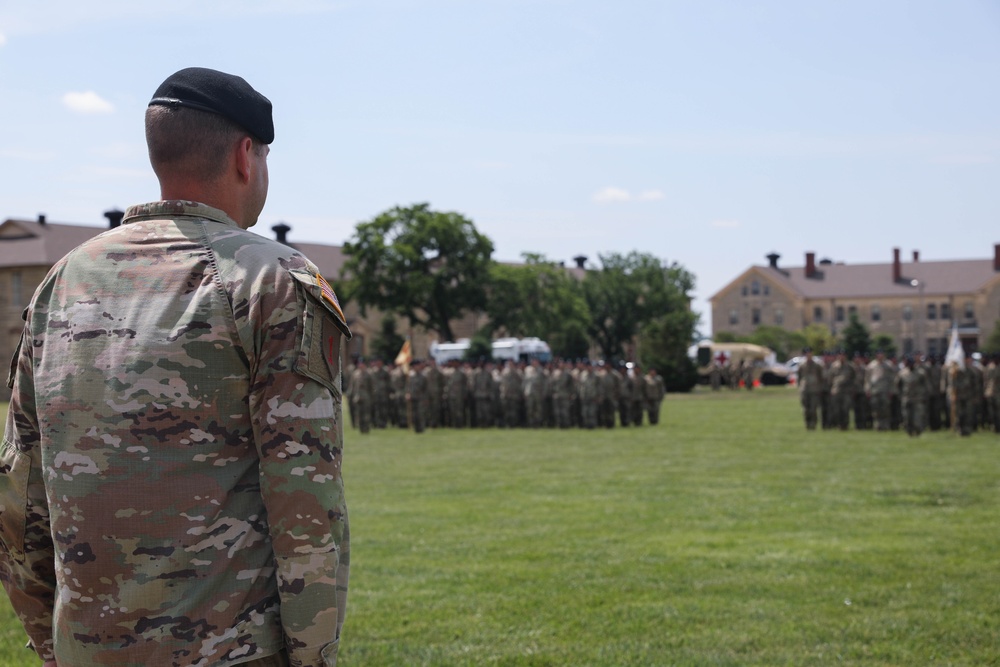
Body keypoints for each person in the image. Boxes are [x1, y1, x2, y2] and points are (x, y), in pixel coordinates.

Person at [0, 68, 351, 667]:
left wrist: (55, 645)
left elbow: (19, 493)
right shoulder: (270, 280)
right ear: (247, 156)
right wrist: (312, 654)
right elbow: (305, 499)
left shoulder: (62, 281)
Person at [797, 348, 825, 430]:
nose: (808, 355)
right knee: (806, 409)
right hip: (805, 390)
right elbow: (799, 377)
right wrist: (800, 387)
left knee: (813, 409)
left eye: (810, 353)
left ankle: (813, 424)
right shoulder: (802, 365)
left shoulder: (817, 365)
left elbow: (820, 377)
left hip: (814, 390)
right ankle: (807, 424)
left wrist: (820, 387)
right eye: (807, 354)